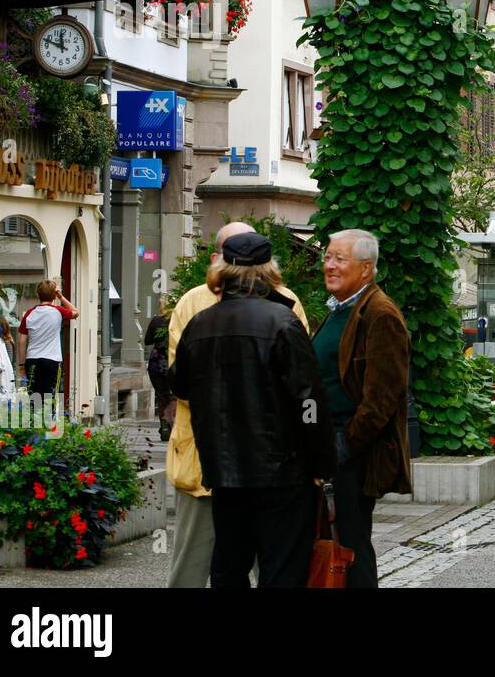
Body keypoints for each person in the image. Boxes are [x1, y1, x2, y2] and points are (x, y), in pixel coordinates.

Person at [170, 231, 334, 588]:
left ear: (222, 268)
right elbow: (308, 401)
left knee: (229, 566)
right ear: (268, 269)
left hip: (223, 471)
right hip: (282, 472)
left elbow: (180, 385)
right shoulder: (283, 321)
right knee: (282, 569)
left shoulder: (200, 324)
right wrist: (320, 462)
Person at [312, 228, 411, 589]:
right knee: (336, 544)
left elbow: (383, 396)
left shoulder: (379, 313)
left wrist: (345, 446)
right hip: (330, 447)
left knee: (351, 546)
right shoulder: (342, 309)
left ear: (366, 269)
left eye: (339, 259)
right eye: (327, 257)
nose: (329, 266)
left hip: (350, 455)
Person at [17, 279, 77, 400]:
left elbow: (21, 341)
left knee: (34, 398)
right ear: (54, 296)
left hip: (32, 359)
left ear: (38, 295)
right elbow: (75, 312)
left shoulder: (29, 313)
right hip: (52, 360)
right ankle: (48, 418)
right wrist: (61, 297)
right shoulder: (58, 311)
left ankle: (35, 419)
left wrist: (21, 365)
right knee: (49, 398)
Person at [144, 304, 174, 441]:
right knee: (174, 396)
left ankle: (165, 426)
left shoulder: (156, 320)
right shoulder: (177, 319)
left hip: (156, 363)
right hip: (172, 361)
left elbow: (147, 340)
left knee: (162, 396)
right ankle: (172, 426)